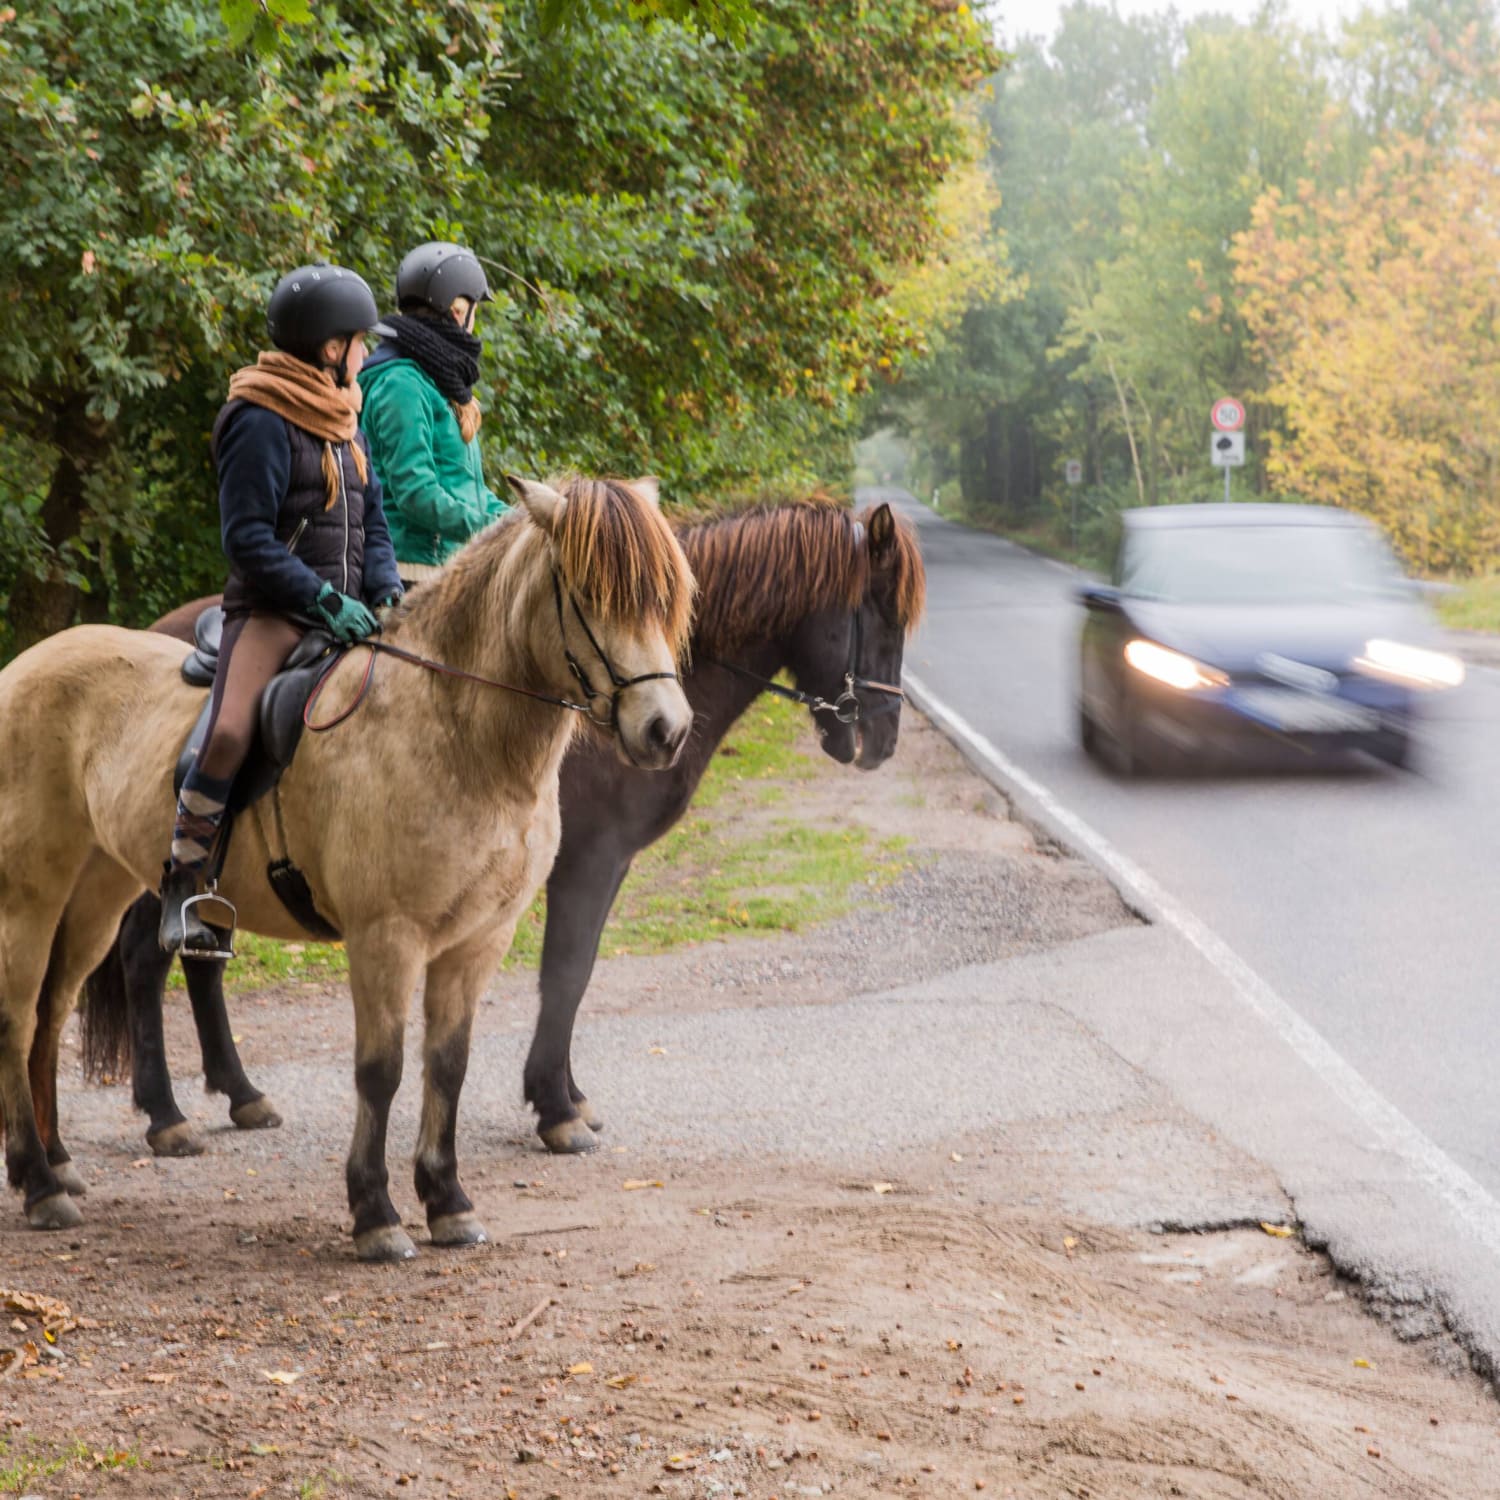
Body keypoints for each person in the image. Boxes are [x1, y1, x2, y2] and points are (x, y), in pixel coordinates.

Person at [160, 263, 404, 955]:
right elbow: (246, 539)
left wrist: (382, 589)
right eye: (359, 343)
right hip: (275, 613)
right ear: (330, 348)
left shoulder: (342, 417)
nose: (365, 354)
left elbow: (372, 518)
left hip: (351, 610)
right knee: (232, 730)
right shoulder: (259, 418)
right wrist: (322, 598)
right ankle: (184, 881)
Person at [359, 242, 508, 585]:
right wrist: (499, 529)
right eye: (474, 309)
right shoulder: (402, 384)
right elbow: (417, 494)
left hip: (449, 566)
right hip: (410, 570)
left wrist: (523, 519)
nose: (474, 321)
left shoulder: (439, 383)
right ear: (458, 310)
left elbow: (470, 490)